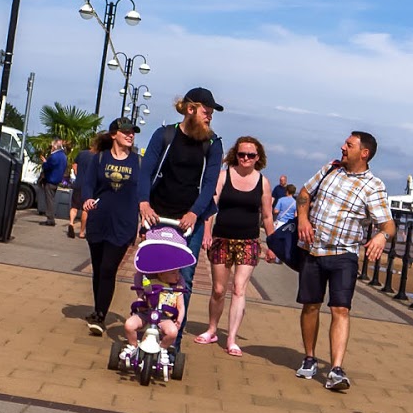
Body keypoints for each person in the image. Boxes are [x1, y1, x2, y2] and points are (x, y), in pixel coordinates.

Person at [294, 131, 395, 392]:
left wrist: (381, 237)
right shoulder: (331, 168)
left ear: (364, 153)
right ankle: (309, 358)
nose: (342, 147)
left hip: (344, 255)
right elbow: (304, 192)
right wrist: (303, 219)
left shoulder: (374, 186)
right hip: (313, 250)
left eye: (349, 145)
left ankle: (336, 369)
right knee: (311, 306)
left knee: (341, 309)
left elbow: (388, 224)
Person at [194, 136, 276, 356]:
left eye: (251, 155)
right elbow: (211, 207)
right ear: (235, 155)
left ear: (258, 158)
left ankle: (231, 338)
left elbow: (267, 217)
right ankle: (212, 329)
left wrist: (273, 244)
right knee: (219, 290)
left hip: (248, 241)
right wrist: (207, 233)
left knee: (239, 288)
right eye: (242, 154)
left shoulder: (263, 182)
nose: (246, 158)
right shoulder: (224, 176)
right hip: (222, 238)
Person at [137, 87, 225, 292]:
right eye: (206, 112)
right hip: (158, 214)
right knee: (151, 268)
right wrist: (143, 203)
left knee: (184, 275)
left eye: (211, 114)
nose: (210, 117)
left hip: (190, 219)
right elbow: (146, 172)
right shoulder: (164, 135)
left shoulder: (212, 144)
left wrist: (195, 213)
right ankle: (147, 314)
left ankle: (177, 323)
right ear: (191, 109)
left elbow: (210, 183)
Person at [78, 120, 142, 335]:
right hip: (99, 219)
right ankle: (98, 309)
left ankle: (100, 316)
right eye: (126, 132)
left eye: (132, 132)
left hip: (124, 223)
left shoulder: (138, 162)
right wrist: (87, 199)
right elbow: (88, 184)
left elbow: (144, 193)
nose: (130, 135)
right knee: (98, 269)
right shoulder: (100, 159)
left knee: (108, 268)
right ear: (114, 135)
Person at [121, 268, 185, 362]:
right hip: (146, 314)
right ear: (161, 274)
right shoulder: (150, 283)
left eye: (178, 273)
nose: (178, 276)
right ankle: (133, 346)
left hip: (164, 317)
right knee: (129, 325)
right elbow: (141, 297)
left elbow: (181, 307)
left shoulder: (177, 288)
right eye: (173, 273)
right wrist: (141, 302)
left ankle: (163, 348)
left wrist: (179, 320)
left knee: (172, 332)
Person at [68, 132, 105, 239]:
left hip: (78, 183)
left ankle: (71, 222)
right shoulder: (99, 158)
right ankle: (82, 232)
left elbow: (74, 166)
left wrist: (77, 173)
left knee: (74, 206)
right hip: (90, 186)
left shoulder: (82, 154)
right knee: (86, 209)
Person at [38, 138, 68, 226]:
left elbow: (47, 166)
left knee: (49, 201)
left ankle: (50, 219)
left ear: (55, 146)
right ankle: (50, 218)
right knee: (51, 200)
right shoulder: (63, 156)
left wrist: (44, 162)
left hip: (50, 180)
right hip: (57, 180)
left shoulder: (54, 156)